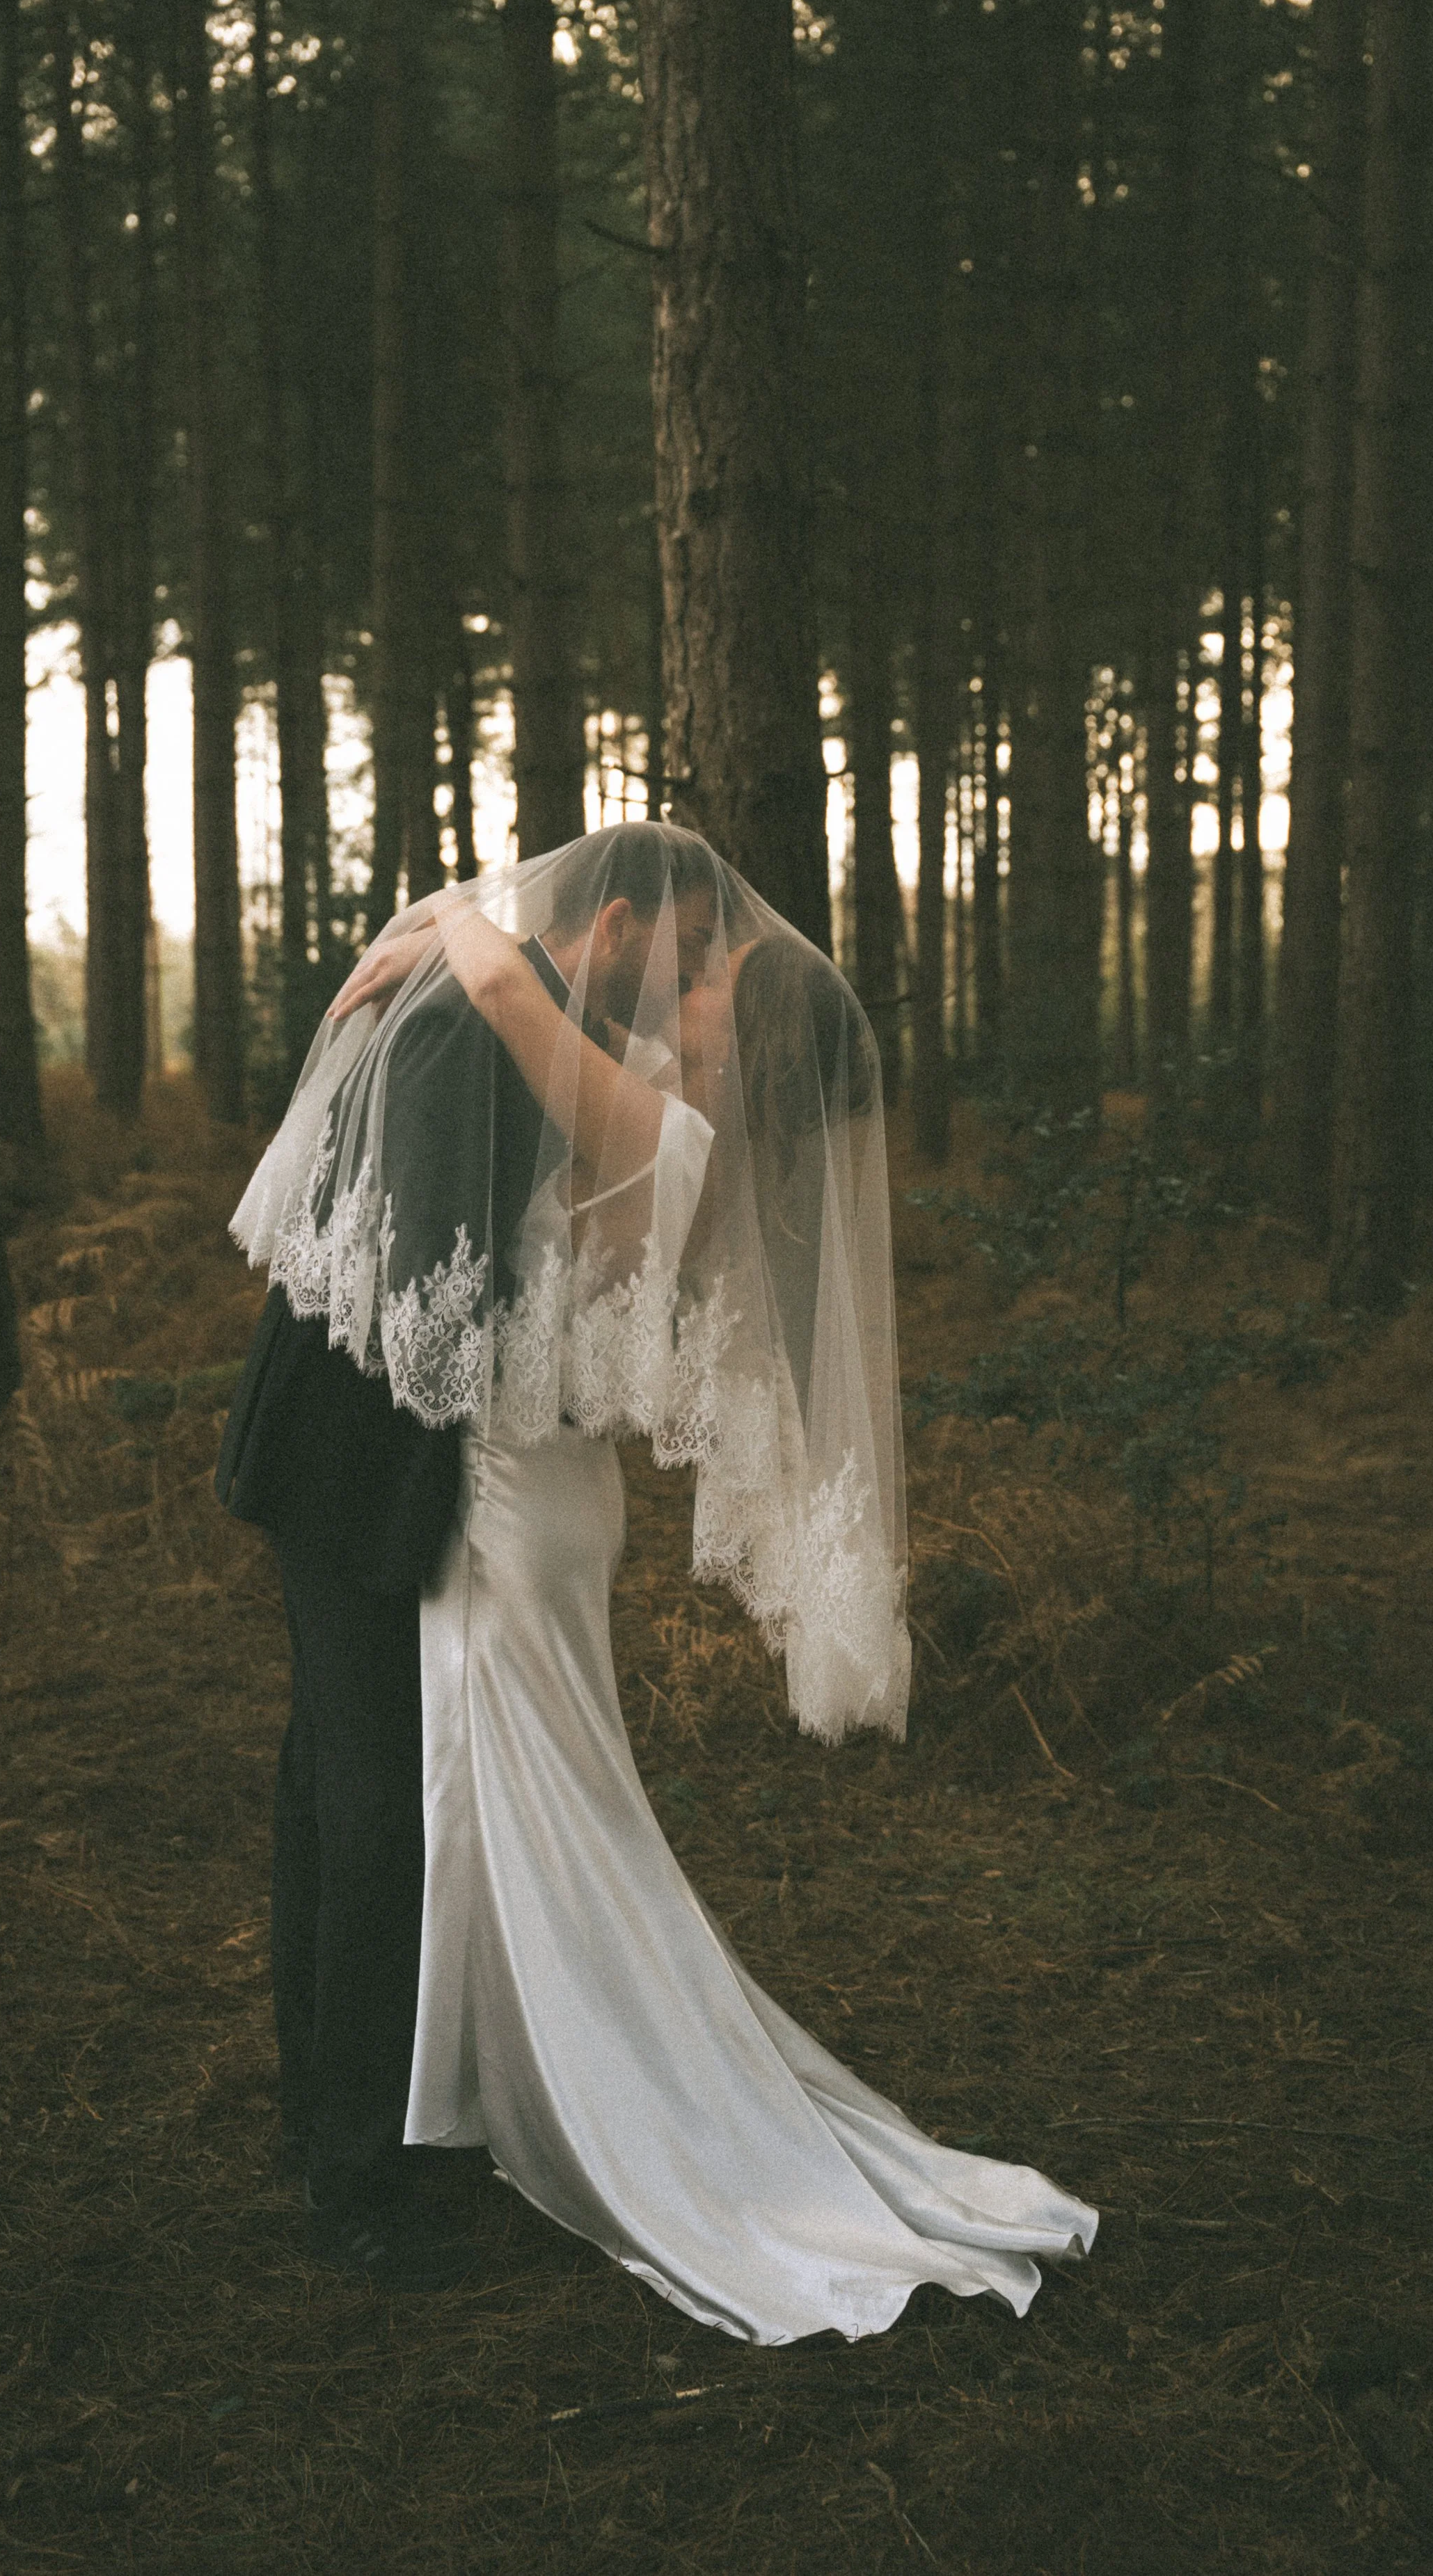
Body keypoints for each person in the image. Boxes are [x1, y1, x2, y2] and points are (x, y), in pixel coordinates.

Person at [232, 825, 1097, 2341]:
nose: (692, 980)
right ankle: (373, 2118)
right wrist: (440, 941)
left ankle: (379, 2143)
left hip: (490, 1498)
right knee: (437, 1806)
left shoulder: (631, 1109)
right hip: (496, 1493)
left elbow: (499, 994)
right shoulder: (642, 1112)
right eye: (693, 960)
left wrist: (443, 924)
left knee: (413, 1809)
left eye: (705, 979)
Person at [216, 825, 717, 2288]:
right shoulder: (464, 1014)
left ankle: (328, 2109)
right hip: (357, 1458)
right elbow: (414, 1273)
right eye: (671, 959)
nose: (669, 989)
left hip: (401, 1460)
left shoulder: (506, 1009)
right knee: (362, 1803)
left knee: (339, 1785)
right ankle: (348, 2170)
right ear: (615, 924)